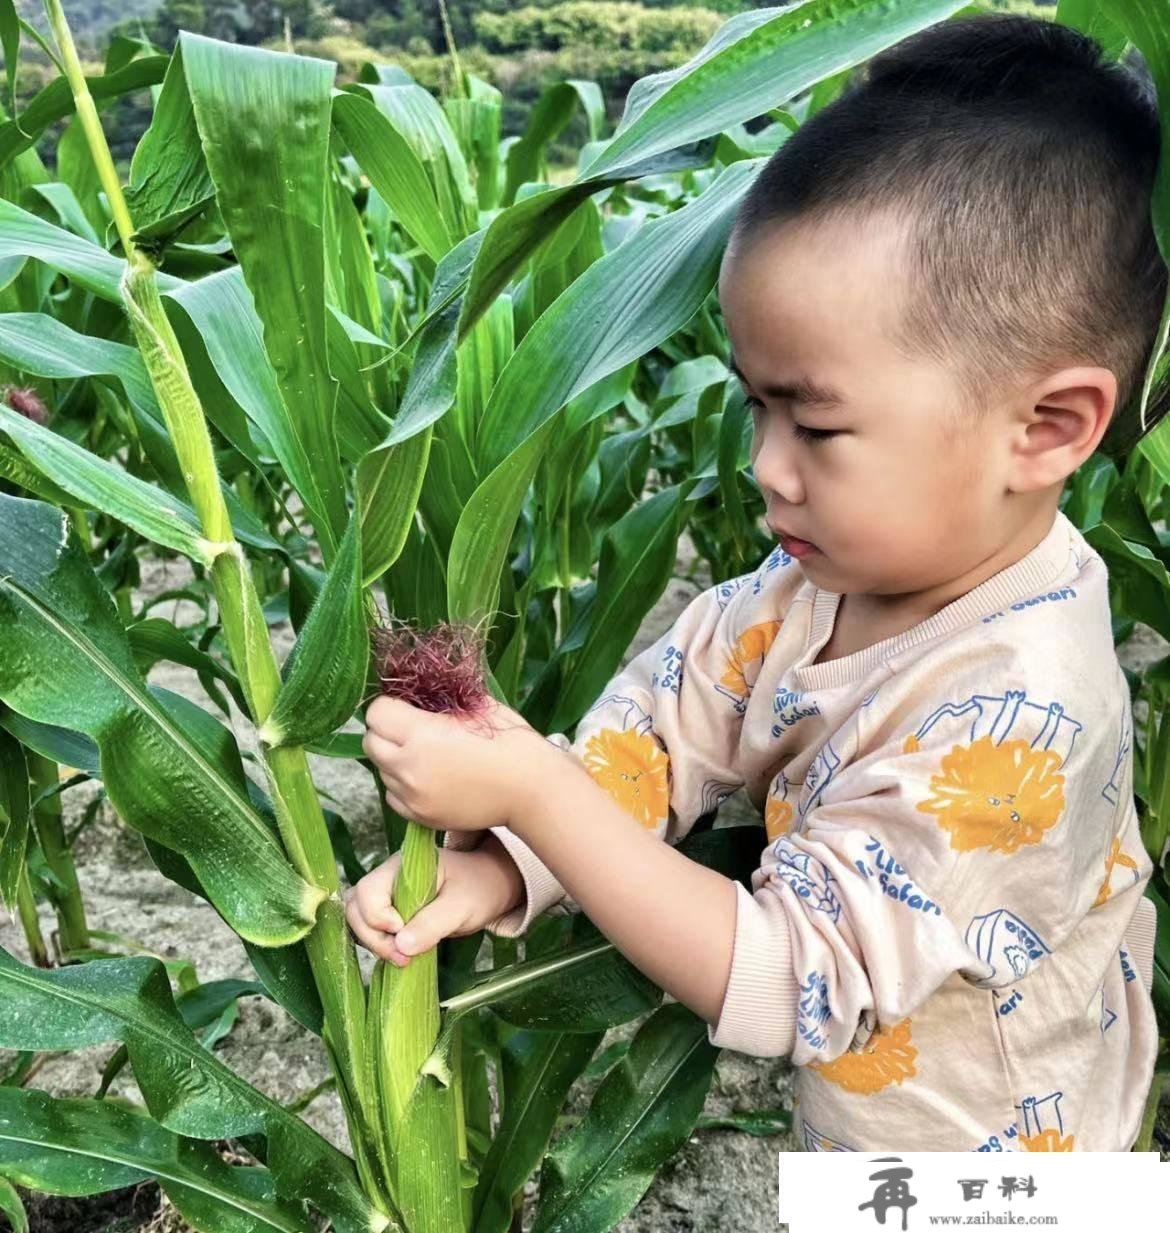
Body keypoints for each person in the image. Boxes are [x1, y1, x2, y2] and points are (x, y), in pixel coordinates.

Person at [348, 12, 1162, 1152]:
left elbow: (795, 983)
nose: (764, 466)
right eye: (754, 404)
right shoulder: (810, 587)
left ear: (1048, 427)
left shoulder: (1024, 710)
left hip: (1005, 1181)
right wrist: (501, 866)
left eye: (816, 424)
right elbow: (665, 733)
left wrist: (534, 791)